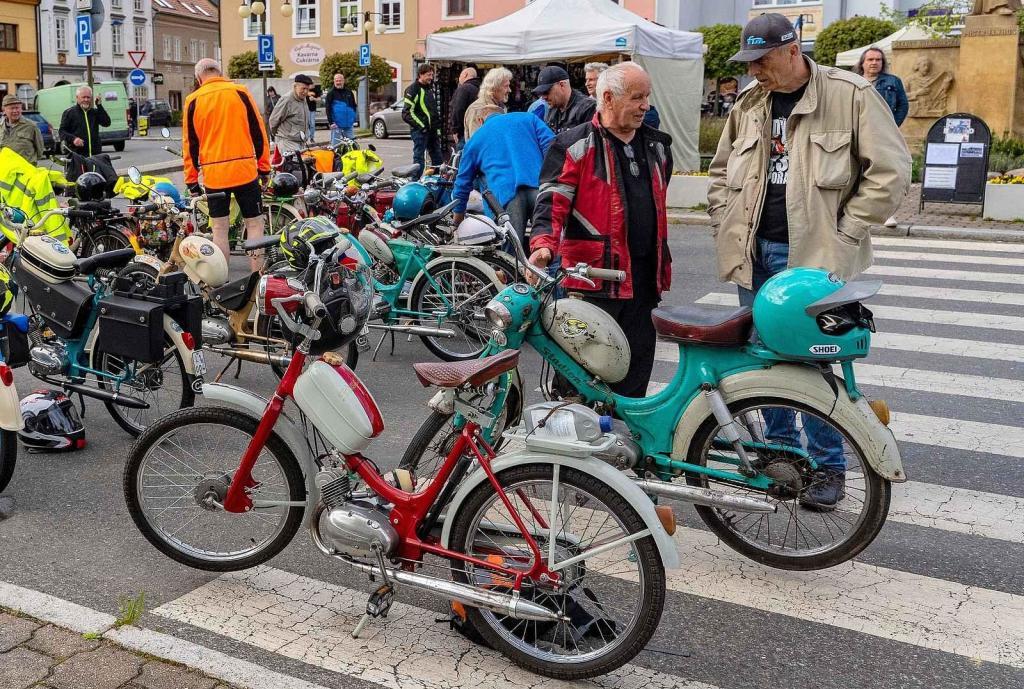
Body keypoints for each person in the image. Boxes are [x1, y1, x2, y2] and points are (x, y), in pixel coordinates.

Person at [707, 13, 911, 508]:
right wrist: (723, 219)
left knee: (817, 364)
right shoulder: (750, 103)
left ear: (793, 50)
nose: (754, 70)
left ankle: (827, 466)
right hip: (754, 254)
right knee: (766, 361)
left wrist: (846, 232)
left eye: (763, 59)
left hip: (816, 259)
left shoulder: (851, 95)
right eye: (749, 61)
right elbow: (719, 172)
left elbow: (891, 172)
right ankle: (781, 457)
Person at [529, 62, 673, 399]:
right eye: (637, 98)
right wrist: (543, 245)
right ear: (607, 98)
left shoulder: (658, 147)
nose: (645, 106)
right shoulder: (574, 145)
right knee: (580, 375)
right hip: (592, 281)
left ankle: (628, 443)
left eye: (647, 97)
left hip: (644, 280)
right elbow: (552, 199)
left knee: (636, 371)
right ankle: (572, 439)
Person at [183, 58, 271, 271]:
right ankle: (257, 277)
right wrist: (264, 168)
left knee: (220, 228)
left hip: (215, 174)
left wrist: (192, 181)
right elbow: (258, 132)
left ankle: (221, 280)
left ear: (198, 77)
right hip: (244, 171)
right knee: (255, 224)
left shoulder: (193, 100)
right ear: (220, 73)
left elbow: (190, 144)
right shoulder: (240, 92)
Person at [452, 112, 554, 248]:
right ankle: (553, 269)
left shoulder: (476, 139)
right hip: (539, 187)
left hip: (506, 197)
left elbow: (462, 184)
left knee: (512, 257)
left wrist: (457, 222)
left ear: (481, 120)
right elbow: (552, 146)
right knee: (549, 244)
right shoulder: (529, 118)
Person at [857, 47, 908, 228]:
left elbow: (903, 106)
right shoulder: (853, 81)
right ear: (862, 62)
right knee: (858, 172)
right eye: (870, 59)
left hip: (883, 134)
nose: (874, 63)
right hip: (857, 132)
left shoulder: (893, 82)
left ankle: (887, 214)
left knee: (886, 173)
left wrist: (891, 126)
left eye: (878, 59)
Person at [403, 63, 443, 178]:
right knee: (419, 158)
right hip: (420, 131)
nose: (431, 77)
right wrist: (422, 126)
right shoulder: (413, 89)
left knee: (437, 157)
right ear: (421, 75)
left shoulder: (430, 88)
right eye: (428, 75)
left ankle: (436, 181)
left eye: (432, 75)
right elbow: (406, 113)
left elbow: (433, 112)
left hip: (432, 131)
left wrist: (437, 130)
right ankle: (415, 182)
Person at [534, 65, 596, 134]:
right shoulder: (553, 108)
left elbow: (590, 141)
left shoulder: (587, 107)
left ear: (562, 85)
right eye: (541, 93)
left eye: (546, 92)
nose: (543, 97)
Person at [58, 86, 110, 159]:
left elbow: (107, 123)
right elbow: (62, 131)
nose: (86, 99)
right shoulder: (69, 113)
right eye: (83, 97)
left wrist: (99, 105)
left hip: (95, 156)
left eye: (88, 97)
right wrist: (74, 139)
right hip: (77, 157)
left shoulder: (94, 112)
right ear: (77, 98)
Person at [270, 74, 313, 156]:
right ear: (295, 86)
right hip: (287, 142)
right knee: (295, 167)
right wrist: (280, 136)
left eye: (307, 89)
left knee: (304, 167)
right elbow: (273, 120)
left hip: (300, 142)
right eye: (303, 88)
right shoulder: (287, 100)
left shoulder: (303, 99)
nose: (306, 92)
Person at [464, 67, 511, 140]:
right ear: (494, 88)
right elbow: (476, 142)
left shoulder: (499, 106)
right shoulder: (477, 109)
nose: (509, 90)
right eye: (506, 86)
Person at [0, 95, 45, 164]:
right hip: (6, 170)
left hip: (26, 169)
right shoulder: (1, 127)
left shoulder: (31, 126)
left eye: (17, 108)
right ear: (4, 110)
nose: (15, 111)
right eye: (11, 108)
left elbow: (40, 150)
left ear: (21, 108)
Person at [448, 66, 480, 149]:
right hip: (476, 129)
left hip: (464, 132)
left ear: (465, 74)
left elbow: (457, 109)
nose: (458, 79)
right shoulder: (480, 89)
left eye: (460, 76)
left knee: (462, 157)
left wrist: (455, 130)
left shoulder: (464, 88)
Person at [325, 72, 357, 145]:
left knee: (351, 144)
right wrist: (331, 122)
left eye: (340, 80)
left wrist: (353, 118)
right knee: (335, 145)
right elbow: (328, 108)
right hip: (336, 125)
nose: (338, 82)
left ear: (343, 81)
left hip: (349, 124)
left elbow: (353, 105)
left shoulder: (349, 92)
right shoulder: (331, 93)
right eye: (336, 81)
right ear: (334, 81)